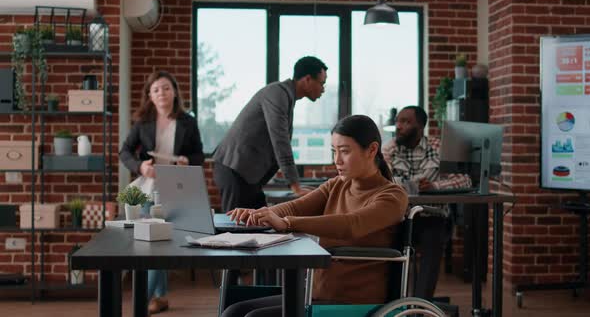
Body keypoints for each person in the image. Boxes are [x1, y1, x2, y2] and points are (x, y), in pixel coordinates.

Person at [221, 115, 408, 317]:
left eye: (344, 151)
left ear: (372, 150)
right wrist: (259, 214)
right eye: (334, 151)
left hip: (350, 301)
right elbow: (294, 207)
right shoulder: (337, 184)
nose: (337, 160)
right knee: (234, 311)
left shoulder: (392, 196)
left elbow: (351, 224)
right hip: (316, 293)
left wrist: (286, 223)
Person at [119, 71, 204, 314]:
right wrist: (140, 166)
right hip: (149, 188)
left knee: (161, 244)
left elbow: (199, 154)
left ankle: (141, 303)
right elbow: (124, 152)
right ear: (150, 96)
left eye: (166, 88)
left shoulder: (188, 122)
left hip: (177, 188)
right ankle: (161, 296)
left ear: (175, 91)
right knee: (154, 245)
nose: (162, 93)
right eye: (156, 89)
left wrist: (188, 160)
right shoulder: (143, 122)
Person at [213, 56, 328, 213]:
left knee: (260, 221)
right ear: (307, 79)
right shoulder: (278, 93)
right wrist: (295, 186)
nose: (323, 89)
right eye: (321, 83)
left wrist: (297, 184)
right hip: (235, 168)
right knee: (235, 228)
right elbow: (280, 140)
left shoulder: (287, 97)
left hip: (248, 176)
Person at [382, 105, 471, 301]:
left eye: (405, 122)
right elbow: (381, 180)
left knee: (432, 244)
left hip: (433, 216)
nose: (399, 126)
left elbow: (465, 179)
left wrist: (435, 186)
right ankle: (394, 305)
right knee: (391, 248)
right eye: (398, 121)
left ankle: (420, 306)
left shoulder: (438, 147)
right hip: (401, 218)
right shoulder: (390, 149)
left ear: (420, 126)